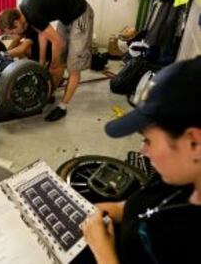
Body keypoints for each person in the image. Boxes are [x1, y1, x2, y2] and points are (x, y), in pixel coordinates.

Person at [80, 57, 201, 264]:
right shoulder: (178, 175)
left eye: (149, 140)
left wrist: (104, 253)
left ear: (194, 142)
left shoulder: (187, 238)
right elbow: (138, 205)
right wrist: (107, 210)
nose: (143, 150)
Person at [0, 0, 94, 121]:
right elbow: (43, 34)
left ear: (16, 23)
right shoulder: (24, 12)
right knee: (59, 64)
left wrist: (53, 63)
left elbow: (57, 41)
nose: (14, 36)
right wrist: (41, 62)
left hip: (80, 14)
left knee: (73, 66)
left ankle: (62, 106)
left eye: (12, 32)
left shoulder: (32, 13)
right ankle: (47, 94)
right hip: (65, 17)